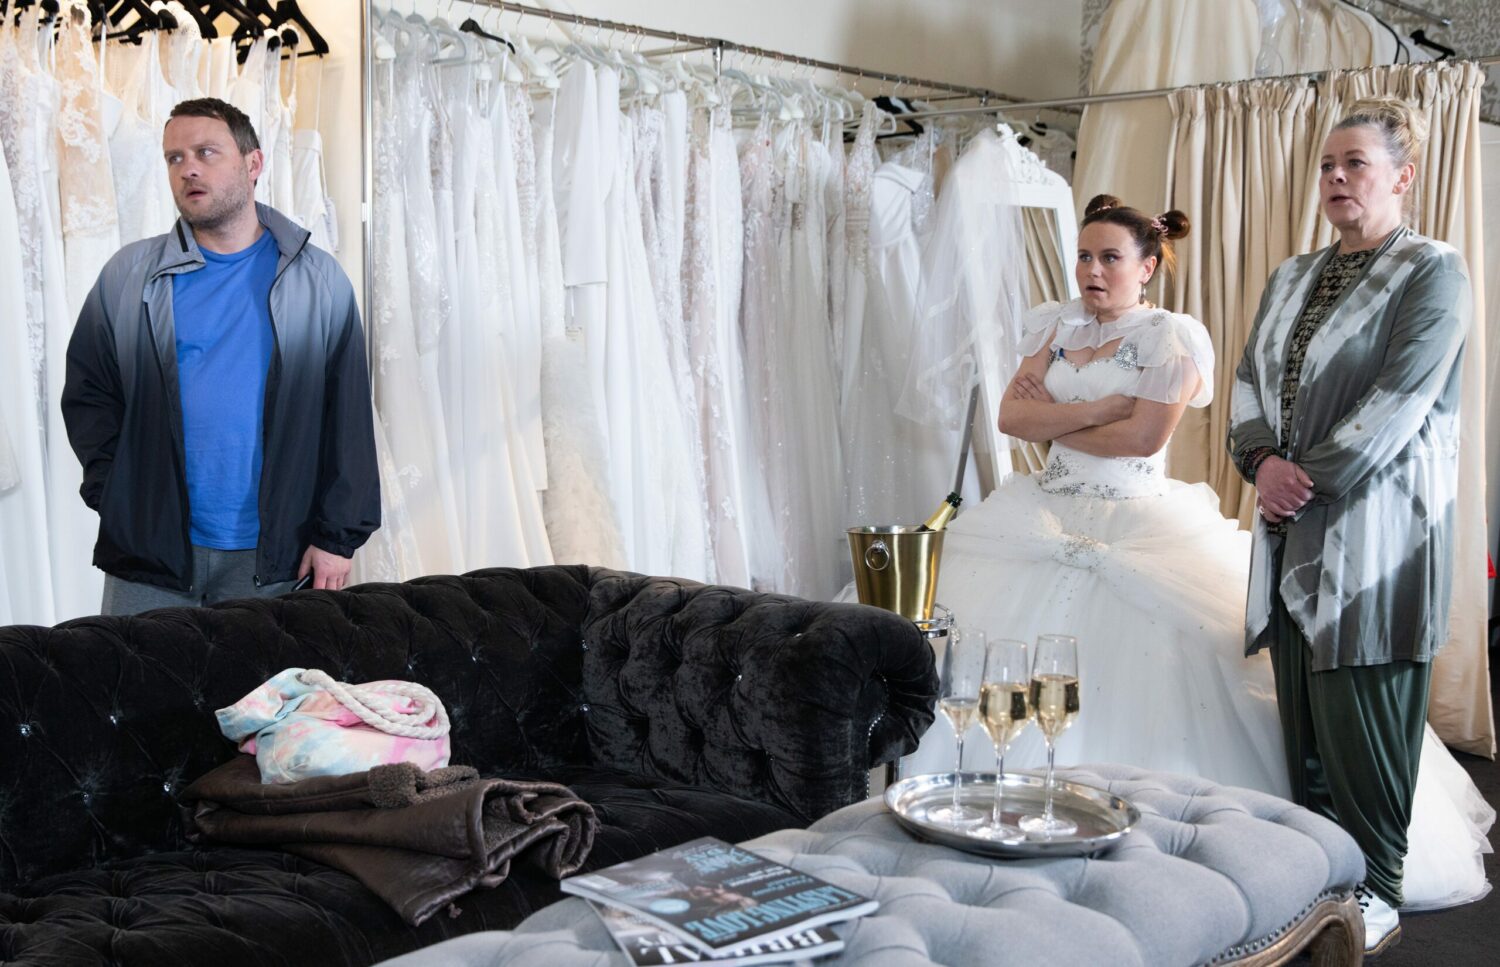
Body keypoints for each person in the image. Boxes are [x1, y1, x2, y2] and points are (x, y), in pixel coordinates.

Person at [896, 191, 1490, 952]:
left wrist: (1085, 414)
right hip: (1038, 507)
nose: (1092, 270)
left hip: (1137, 517)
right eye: (1084, 255)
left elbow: (1142, 437)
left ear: (1148, 267)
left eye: (1111, 257)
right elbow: (1014, 422)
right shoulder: (1054, 324)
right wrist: (1105, 404)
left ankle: (1200, 860)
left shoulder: (1171, 335)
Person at [1228, 97, 1477, 955]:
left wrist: (1306, 477)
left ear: (1402, 177)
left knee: (1365, 725)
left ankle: (1379, 889)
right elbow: (1246, 384)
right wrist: (1261, 462)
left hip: (1382, 544)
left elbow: (1402, 399)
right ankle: (1325, 888)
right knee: (1304, 728)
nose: (1335, 179)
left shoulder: (1434, 271)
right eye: (1328, 166)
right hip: (1289, 529)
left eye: (1355, 164)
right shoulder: (1291, 276)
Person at [61, 98, 379, 615]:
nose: (188, 168)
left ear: (253, 164)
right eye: (174, 157)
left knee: (264, 696)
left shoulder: (317, 281)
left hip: (277, 554)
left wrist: (337, 538)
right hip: (151, 551)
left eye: (206, 152)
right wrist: (117, 492)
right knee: (140, 692)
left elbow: (348, 420)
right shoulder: (128, 276)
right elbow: (88, 394)